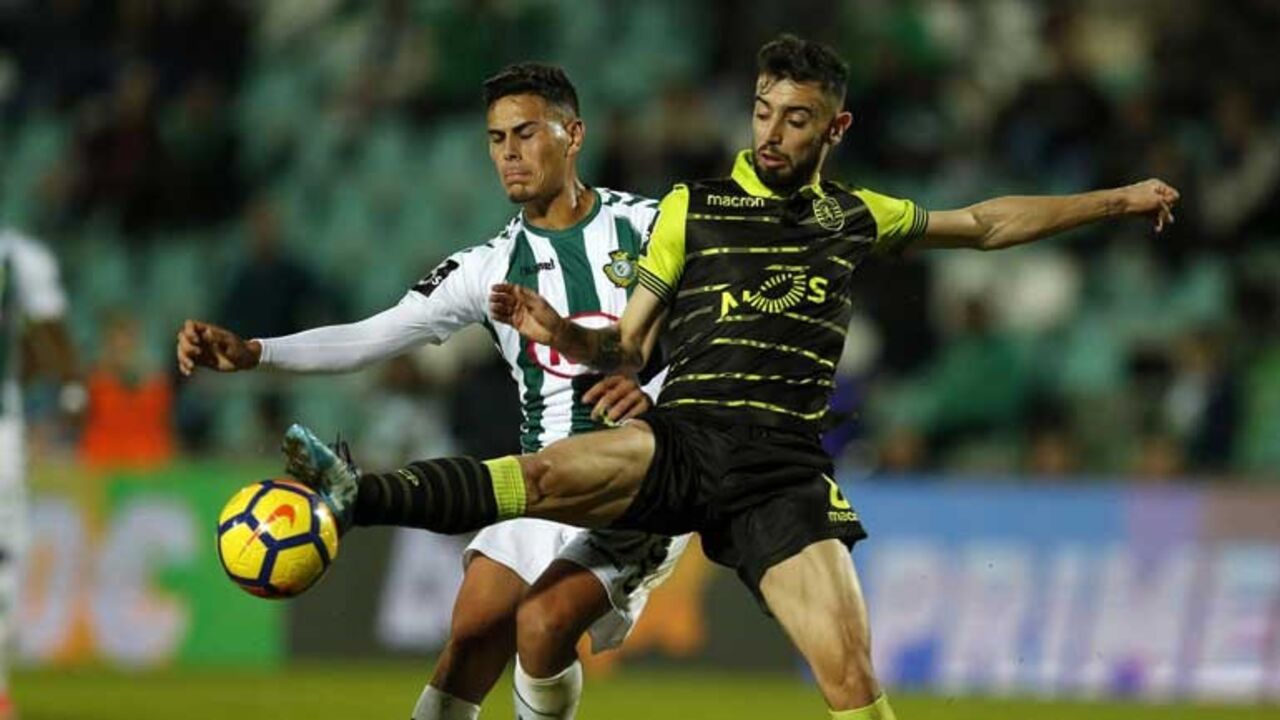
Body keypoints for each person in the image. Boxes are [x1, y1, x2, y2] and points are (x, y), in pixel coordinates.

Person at [243, 35, 1179, 720]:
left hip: (780, 473)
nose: (772, 132)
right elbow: (628, 346)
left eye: (796, 119)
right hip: (682, 440)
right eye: (763, 111)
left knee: (851, 681)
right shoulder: (691, 208)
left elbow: (984, 224)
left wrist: (1117, 200)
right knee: (543, 478)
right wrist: (562, 332)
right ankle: (357, 496)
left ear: (835, 127)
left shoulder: (856, 216)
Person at [175, 64, 689, 720]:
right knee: (471, 633)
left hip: (644, 482)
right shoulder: (487, 267)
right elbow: (374, 335)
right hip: (543, 482)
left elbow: (729, 328)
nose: (509, 153)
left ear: (574, 135)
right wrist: (256, 353)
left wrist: (665, 394)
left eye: (526, 133)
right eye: (496, 138)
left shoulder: (650, 227)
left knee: (541, 627)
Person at [0, 227, 79, 720]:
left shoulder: (17, 254)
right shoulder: (16, 255)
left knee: (7, 556)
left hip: (3, 426)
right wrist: (71, 387)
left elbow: (45, 332)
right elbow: (47, 331)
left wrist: (68, 385)